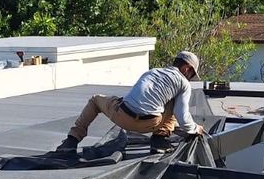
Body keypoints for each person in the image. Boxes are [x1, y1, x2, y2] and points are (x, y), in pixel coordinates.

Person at [58, 51, 205, 154]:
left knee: (95, 100)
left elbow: (139, 96)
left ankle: (71, 141)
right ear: (186, 68)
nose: (190, 79)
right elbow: (182, 115)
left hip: (122, 116)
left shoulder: (152, 72)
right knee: (173, 101)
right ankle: (160, 140)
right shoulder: (183, 83)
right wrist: (195, 128)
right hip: (150, 122)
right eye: (191, 75)